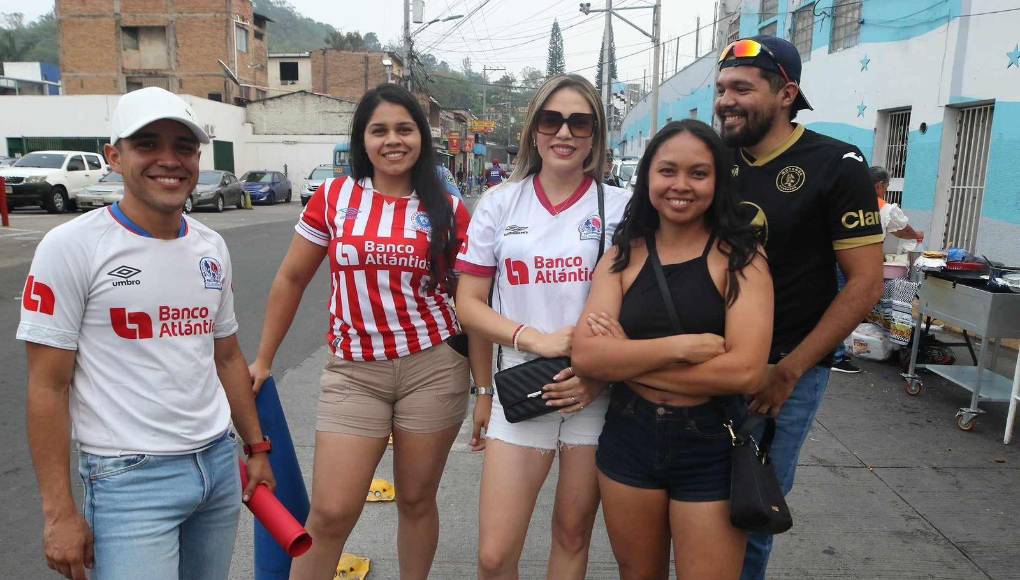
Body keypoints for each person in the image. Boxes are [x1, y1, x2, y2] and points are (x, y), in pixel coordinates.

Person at [19, 86, 275, 580]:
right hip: (129, 481)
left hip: (218, 468)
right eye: (147, 144)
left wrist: (256, 448)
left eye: (183, 147)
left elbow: (226, 357)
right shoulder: (70, 247)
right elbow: (47, 386)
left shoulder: (211, 246)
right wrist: (59, 514)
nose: (168, 160)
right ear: (114, 156)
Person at [248, 83, 471, 580]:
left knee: (416, 500)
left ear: (422, 137)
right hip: (353, 375)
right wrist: (264, 358)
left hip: (433, 368)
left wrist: (486, 382)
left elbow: (471, 297)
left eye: (404, 129)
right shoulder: (333, 198)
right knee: (330, 513)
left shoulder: (449, 208)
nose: (393, 141)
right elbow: (291, 278)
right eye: (379, 130)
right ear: (362, 140)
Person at [571, 119, 773, 579]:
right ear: (648, 178)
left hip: (711, 443)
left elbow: (744, 372)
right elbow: (587, 356)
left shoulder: (741, 257)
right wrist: (679, 347)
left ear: (718, 181)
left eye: (698, 173)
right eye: (667, 171)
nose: (681, 185)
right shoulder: (624, 253)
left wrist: (627, 360)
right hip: (629, 436)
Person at [714, 35, 885, 580]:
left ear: (786, 93)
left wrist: (788, 371)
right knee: (694, 500)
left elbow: (864, 285)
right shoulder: (711, 162)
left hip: (782, 373)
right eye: (721, 89)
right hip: (703, 362)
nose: (726, 100)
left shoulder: (838, 164)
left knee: (750, 507)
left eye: (742, 87)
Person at [455, 74, 631, 580]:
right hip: (523, 388)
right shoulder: (499, 203)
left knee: (572, 535)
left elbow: (637, 306)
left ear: (595, 135)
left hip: (592, 394)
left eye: (580, 122)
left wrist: (597, 371)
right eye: (552, 119)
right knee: (494, 555)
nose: (565, 133)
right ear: (534, 130)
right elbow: (468, 304)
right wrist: (528, 345)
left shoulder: (620, 207)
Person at [871, 166, 924, 250]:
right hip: (868, 257)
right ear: (879, 185)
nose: (886, 191)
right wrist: (916, 235)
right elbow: (902, 232)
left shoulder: (851, 201)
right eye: (886, 186)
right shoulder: (885, 209)